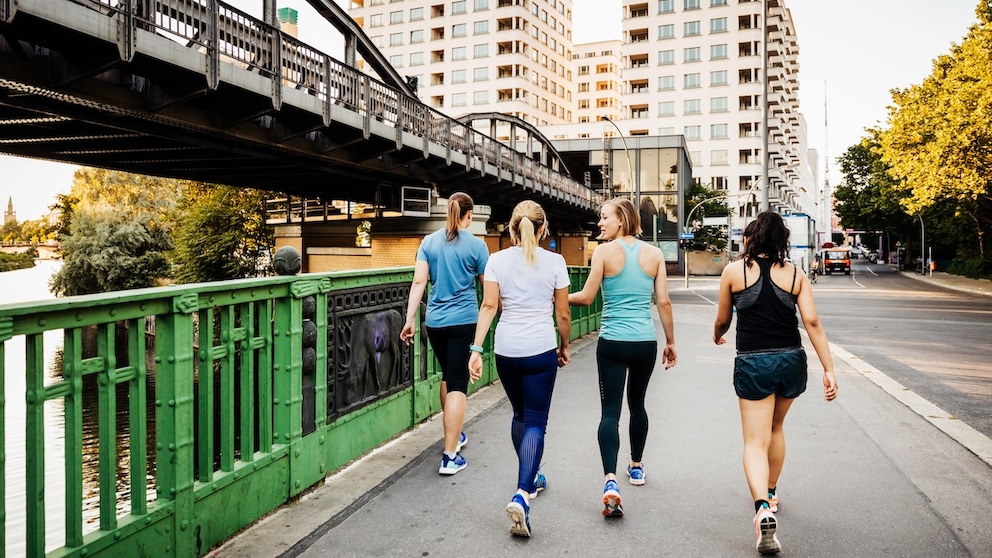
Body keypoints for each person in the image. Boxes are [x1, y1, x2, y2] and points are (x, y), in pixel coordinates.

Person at [712, 211, 839, 554]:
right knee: (776, 429)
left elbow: (723, 319)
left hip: (754, 362)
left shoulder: (734, 272)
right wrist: (828, 369)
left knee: (754, 441)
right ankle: (771, 491)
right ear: (782, 241)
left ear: (750, 240)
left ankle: (761, 510)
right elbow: (811, 322)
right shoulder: (796, 275)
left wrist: (716, 334)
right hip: (791, 361)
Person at [568, 198, 677, 518]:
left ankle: (610, 482)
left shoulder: (602, 253)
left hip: (613, 342)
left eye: (604, 218)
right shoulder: (655, 254)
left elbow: (587, 297)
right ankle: (637, 466)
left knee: (610, 412)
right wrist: (671, 342)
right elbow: (664, 303)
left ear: (622, 220)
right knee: (638, 405)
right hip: (645, 342)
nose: (600, 223)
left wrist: (557, 294)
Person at [468, 200, 571, 538]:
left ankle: (532, 476)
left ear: (512, 228)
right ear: (542, 230)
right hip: (540, 349)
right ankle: (522, 494)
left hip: (507, 350)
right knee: (537, 421)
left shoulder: (496, 261)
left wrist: (476, 348)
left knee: (520, 416)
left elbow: (488, 306)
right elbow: (563, 314)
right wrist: (565, 344)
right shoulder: (556, 261)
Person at [400, 192, 489, 476]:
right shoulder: (477, 246)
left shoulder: (429, 242)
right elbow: (488, 292)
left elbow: (418, 282)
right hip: (464, 321)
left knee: (448, 376)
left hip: (435, 323)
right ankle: (450, 456)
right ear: (469, 215)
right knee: (459, 384)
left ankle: (455, 435)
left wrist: (409, 318)